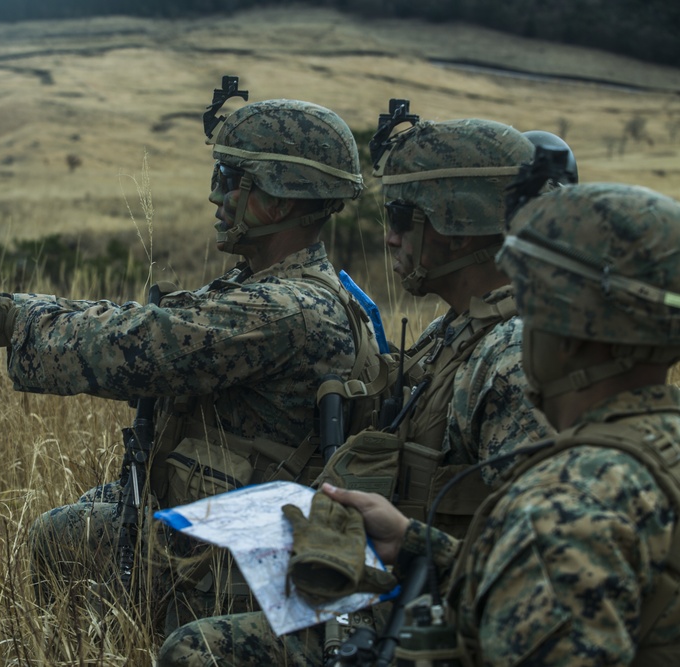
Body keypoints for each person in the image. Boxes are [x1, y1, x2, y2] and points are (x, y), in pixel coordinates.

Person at [0, 96, 381, 628]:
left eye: (230, 178)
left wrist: (13, 324)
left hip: (252, 553)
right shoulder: (274, 288)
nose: (215, 196)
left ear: (277, 202)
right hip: (240, 516)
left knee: (60, 534)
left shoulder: (287, 309)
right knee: (102, 503)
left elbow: (141, 345)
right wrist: (8, 306)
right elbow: (141, 321)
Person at [158, 106, 554, 666]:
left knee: (201, 652)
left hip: (436, 613)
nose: (387, 238)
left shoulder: (509, 360)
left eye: (400, 216)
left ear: (459, 229)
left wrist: (412, 549)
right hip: (396, 581)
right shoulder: (457, 329)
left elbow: (536, 568)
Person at [327, 181, 680, 665]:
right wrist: (416, 546)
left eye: (530, 305)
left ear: (567, 334)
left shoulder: (560, 506)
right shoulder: (657, 449)